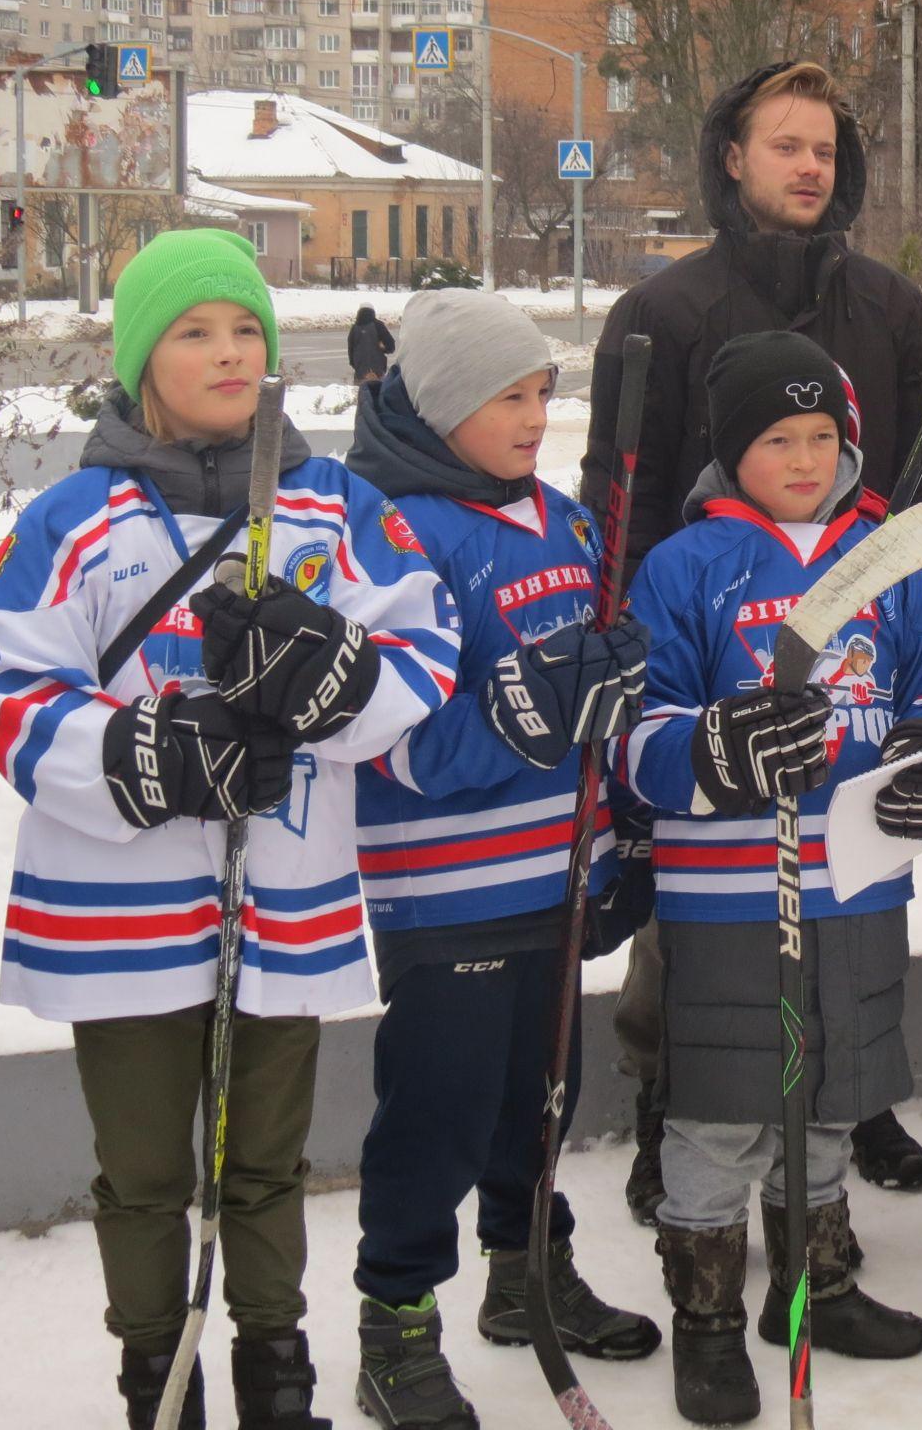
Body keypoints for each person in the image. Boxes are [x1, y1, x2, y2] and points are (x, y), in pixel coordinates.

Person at [0, 230, 459, 1429]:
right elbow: (3, 666)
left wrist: (336, 680)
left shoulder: (330, 506)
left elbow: (423, 640)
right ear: (141, 360)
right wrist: (134, 753)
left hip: (275, 889)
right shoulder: (80, 516)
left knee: (265, 1161)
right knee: (144, 1172)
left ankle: (273, 1372)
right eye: (194, 331)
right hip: (115, 905)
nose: (230, 351)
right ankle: (157, 1376)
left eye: (246, 329)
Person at [581, 60, 922, 1216]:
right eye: (783, 144)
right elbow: (623, 495)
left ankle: (850, 1104)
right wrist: (643, 653)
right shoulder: (665, 311)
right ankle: (670, 1107)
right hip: (701, 653)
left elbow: (918, 485)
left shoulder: (888, 308)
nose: (806, 165)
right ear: (731, 159)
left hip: (847, 652)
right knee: (697, 927)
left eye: (825, 149)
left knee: (851, 904)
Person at [342, 291, 660, 1428]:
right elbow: (390, 740)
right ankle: (397, 1326)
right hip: (447, 887)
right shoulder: (393, 531)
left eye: (540, 394)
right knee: (439, 1110)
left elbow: (598, 709)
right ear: (435, 406)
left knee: (541, 1094)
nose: (533, 419)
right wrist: (522, 717)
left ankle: (525, 1276)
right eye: (504, 398)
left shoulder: (565, 523)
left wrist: (621, 824)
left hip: (554, 878)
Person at [620, 331, 922, 1425]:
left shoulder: (885, 559)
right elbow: (636, 733)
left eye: (821, 437)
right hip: (725, 893)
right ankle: (706, 1320)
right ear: (729, 450)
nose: (804, 460)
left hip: (854, 878)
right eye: (775, 439)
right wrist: (707, 748)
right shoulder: (685, 566)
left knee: (827, 1090)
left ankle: (815, 1286)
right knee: (722, 1108)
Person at [348, 304, 395, 384]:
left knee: (362, 394)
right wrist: (383, 348)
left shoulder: (354, 328)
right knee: (377, 393)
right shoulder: (378, 325)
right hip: (377, 371)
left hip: (360, 372)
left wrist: (356, 365)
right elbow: (391, 346)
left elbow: (350, 350)